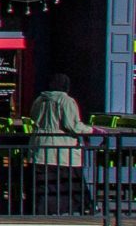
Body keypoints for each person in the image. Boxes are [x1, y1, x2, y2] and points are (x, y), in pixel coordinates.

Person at [29, 73, 91, 214]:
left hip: (40, 148)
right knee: (70, 182)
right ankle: (81, 208)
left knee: (44, 184)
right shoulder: (66, 101)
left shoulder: (40, 100)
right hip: (63, 150)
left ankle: (42, 210)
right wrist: (91, 130)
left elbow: (32, 116)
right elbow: (72, 125)